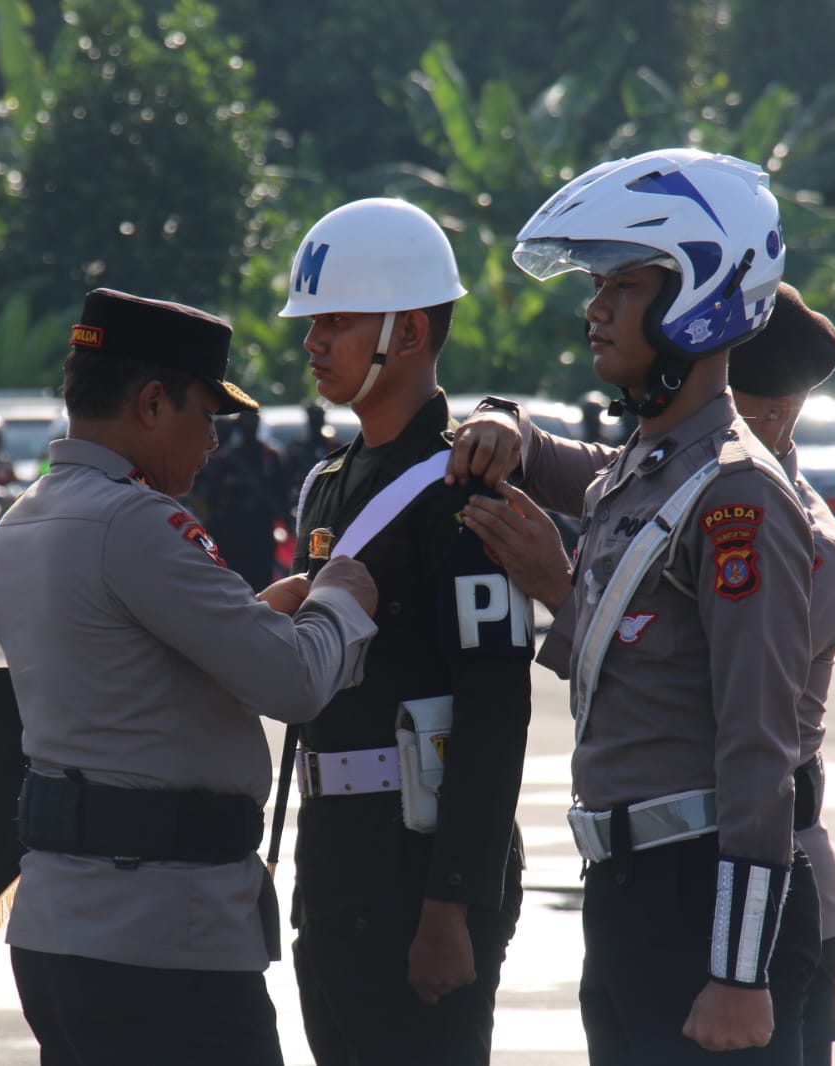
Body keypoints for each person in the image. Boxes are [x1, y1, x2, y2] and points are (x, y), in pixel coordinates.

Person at [448, 147, 821, 1064]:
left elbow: (758, 748)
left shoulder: (738, 495)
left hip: (702, 902)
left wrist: (738, 973)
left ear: (697, 295)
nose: (595, 307)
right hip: (627, 893)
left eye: (623, 284)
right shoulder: (653, 464)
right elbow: (572, 464)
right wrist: (506, 422)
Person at [0, 288, 378, 1066]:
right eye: (205, 416)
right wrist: (340, 600)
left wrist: (257, 614)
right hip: (163, 937)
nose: (210, 442)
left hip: (66, 926)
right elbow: (294, 683)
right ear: (152, 402)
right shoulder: (136, 521)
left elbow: (134, 678)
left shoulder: (27, 517)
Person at [276, 197, 535, 1066]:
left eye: (335, 321)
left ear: (410, 331)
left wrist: (450, 905)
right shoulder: (326, 483)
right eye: (312, 322)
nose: (313, 341)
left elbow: (496, 708)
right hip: (338, 863)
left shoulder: (465, 483)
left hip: (423, 869)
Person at [725, 284, 835, 1066]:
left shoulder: (786, 529)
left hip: (773, 886)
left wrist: (558, 587)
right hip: (766, 872)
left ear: (772, 412)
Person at [201, 407, 290, 591]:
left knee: (262, 585)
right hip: (233, 533)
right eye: (246, 423)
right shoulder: (227, 459)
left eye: (253, 423)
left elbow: (282, 493)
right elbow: (212, 497)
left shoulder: (269, 456)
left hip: (261, 531)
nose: (249, 427)